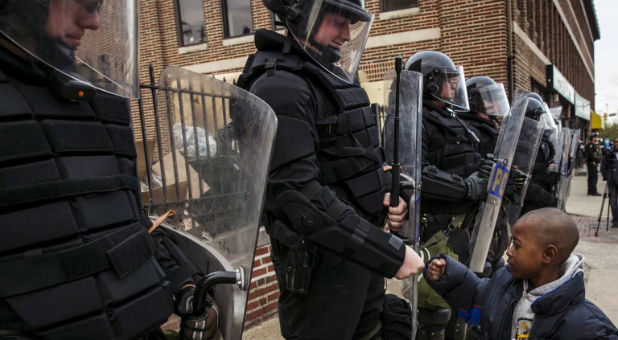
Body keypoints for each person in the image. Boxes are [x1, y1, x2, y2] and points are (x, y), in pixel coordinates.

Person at [0, 1, 217, 339]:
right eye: (85, 2)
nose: (95, 21)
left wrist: (184, 283)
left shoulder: (100, 102)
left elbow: (131, 222)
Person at [237, 0, 424, 339]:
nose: (346, 34)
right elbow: (301, 198)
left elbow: (357, 162)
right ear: (303, 15)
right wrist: (389, 253)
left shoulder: (330, 78)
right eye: (338, 21)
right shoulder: (280, 86)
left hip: (358, 258)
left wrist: (393, 194)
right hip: (320, 275)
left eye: (351, 24)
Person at [425, 207, 618, 340]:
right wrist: (450, 275)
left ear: (548, 254)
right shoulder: (504, 283)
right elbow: (478, 296)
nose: (508, 251)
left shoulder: (586, 325)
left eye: (517, 246)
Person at [405, 51, 491, 340]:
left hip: (463, 227)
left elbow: (465, 160)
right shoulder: (412, 118)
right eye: (447, 80)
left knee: (464, 301)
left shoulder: (453, 118)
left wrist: (490, 171)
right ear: (429, 83)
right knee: (435, 311)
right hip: (437, 229)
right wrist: (466, 187)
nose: (454, 86)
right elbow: (416, 172)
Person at [601, 138, 618, 228]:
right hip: (612, 181)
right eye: (615, 142)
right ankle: (615, 220)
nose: (616, 144)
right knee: (613, 201)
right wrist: (606, 176)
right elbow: (603, 166)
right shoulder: (609, 155)